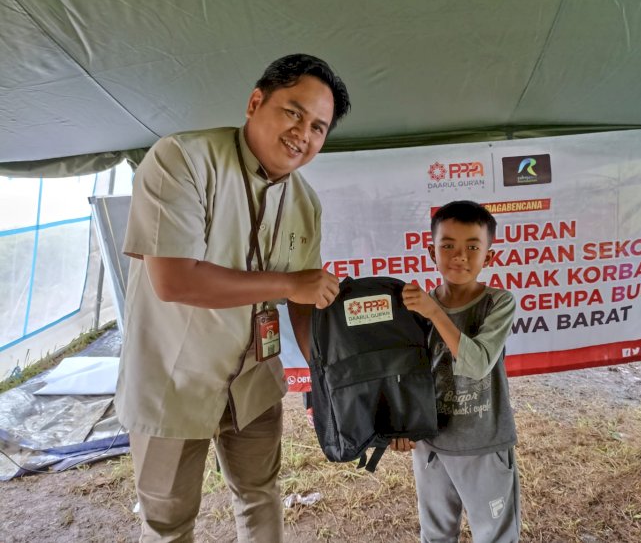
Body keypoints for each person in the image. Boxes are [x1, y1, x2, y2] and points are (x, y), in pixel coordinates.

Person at [115, 54, 350, 542]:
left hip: (254, 382)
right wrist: (287, 284)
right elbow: (176, 281)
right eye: (294, 112)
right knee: (168, 520)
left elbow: (304, 304)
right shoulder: (181, 159)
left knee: (259, 494)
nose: (303, 134)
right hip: (172, 381)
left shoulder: (306, 203)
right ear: (255, 101)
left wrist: (332, 379)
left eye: (319, 127)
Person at [391, 200, 520, 543]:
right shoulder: (417, 309)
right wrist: (403, 426)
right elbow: (406, 374)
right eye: (447, 245)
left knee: (495, 536)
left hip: (484, 443)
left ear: (488, 256)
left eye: (472, 247)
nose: (459, 256)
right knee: (435, 535)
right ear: (431, 252)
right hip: (431, 444)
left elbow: (477, 364)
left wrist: (435, 313)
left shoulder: (499, 302)